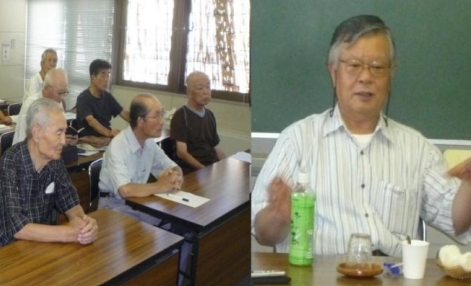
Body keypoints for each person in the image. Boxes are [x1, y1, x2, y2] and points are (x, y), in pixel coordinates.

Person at [251, 15, 471, 257]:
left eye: (377, 67)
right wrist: (279, 216)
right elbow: (263, 234)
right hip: (318, 280)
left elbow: (457, 221)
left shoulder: (418, 148)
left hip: (392, 279)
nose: (366, 77)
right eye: (354, 65)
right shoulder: (297, 140)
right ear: (334, 72)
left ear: (391, 74)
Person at [0, 98, 98, 250]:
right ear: (36, 133)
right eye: (59, 133)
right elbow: (18, 228)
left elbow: (71, 203)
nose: (64, 141)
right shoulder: (10, 164)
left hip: (41, 242)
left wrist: (84, 225)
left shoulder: (54, 161)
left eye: (65, 132)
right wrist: (68, 233)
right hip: (6, 249)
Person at [98, 93, 182, 224]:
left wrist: (176, 178)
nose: (162, 121)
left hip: (139, 202)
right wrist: (160, 186)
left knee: (176, 220)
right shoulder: (118, 145)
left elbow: (173, 167)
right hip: (114, 206)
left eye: (162, 114)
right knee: (164, 226)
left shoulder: (149, 143)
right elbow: (125, 190)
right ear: (140, 121)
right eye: (156, 115)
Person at [170, 71, 225, 173]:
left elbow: (216, 146)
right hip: (192, 169)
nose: (206, 92)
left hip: (211, 166)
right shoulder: (181, 116)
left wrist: (225, 164)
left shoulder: (210, 115)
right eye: (200, 88)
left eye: (208, 87)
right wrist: (204, 170)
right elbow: (182, 152)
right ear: (189, 93)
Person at [12, 68, 69, 145]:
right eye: (59, 93)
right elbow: (24, 142)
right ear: (46, 89)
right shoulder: (31, 105)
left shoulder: (57, 103)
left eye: (65, 92)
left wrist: (66, 140)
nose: (62, 98)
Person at [75, 59, 130, 138]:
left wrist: (138, 121)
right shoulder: (83, 98)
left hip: (105, 138)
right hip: (89, 141)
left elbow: (123, 112)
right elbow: (91, 121)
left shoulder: (108, 97)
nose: (107, 80)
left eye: (108, 75)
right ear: (93, 78)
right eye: (103, 75)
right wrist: (109, 133)